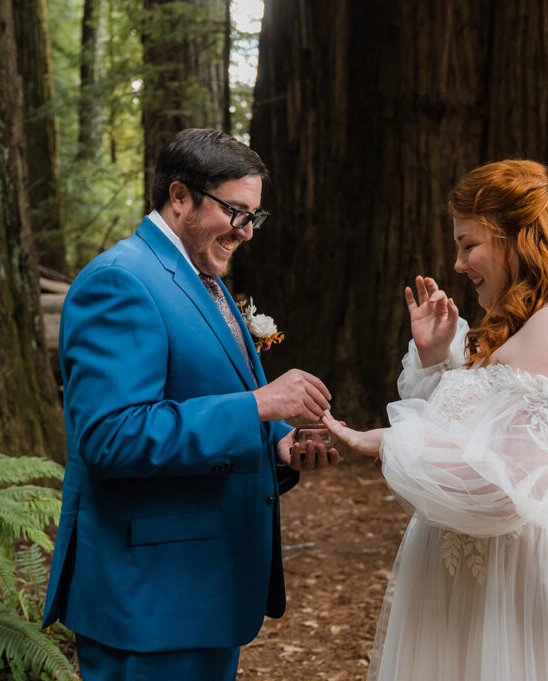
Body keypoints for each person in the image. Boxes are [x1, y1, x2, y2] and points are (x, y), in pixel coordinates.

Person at [323, 160, 548, 681]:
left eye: (468, 244)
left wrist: (389, 443)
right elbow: (486, 427)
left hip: (527, 585)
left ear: (517, 240)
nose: (457, 263)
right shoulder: (535, 320)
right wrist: (438, 360)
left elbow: (507, 488)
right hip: (489, 576)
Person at [43, 128, 339, 681]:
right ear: (179, 197)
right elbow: (111, 438)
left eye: (255, 216)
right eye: (235, 211)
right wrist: (257, 405)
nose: (246, 231)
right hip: (149, 597)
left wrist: (277, 450)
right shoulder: (120, 280)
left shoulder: (202, 276)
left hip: (203, 591)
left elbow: (198, 401)